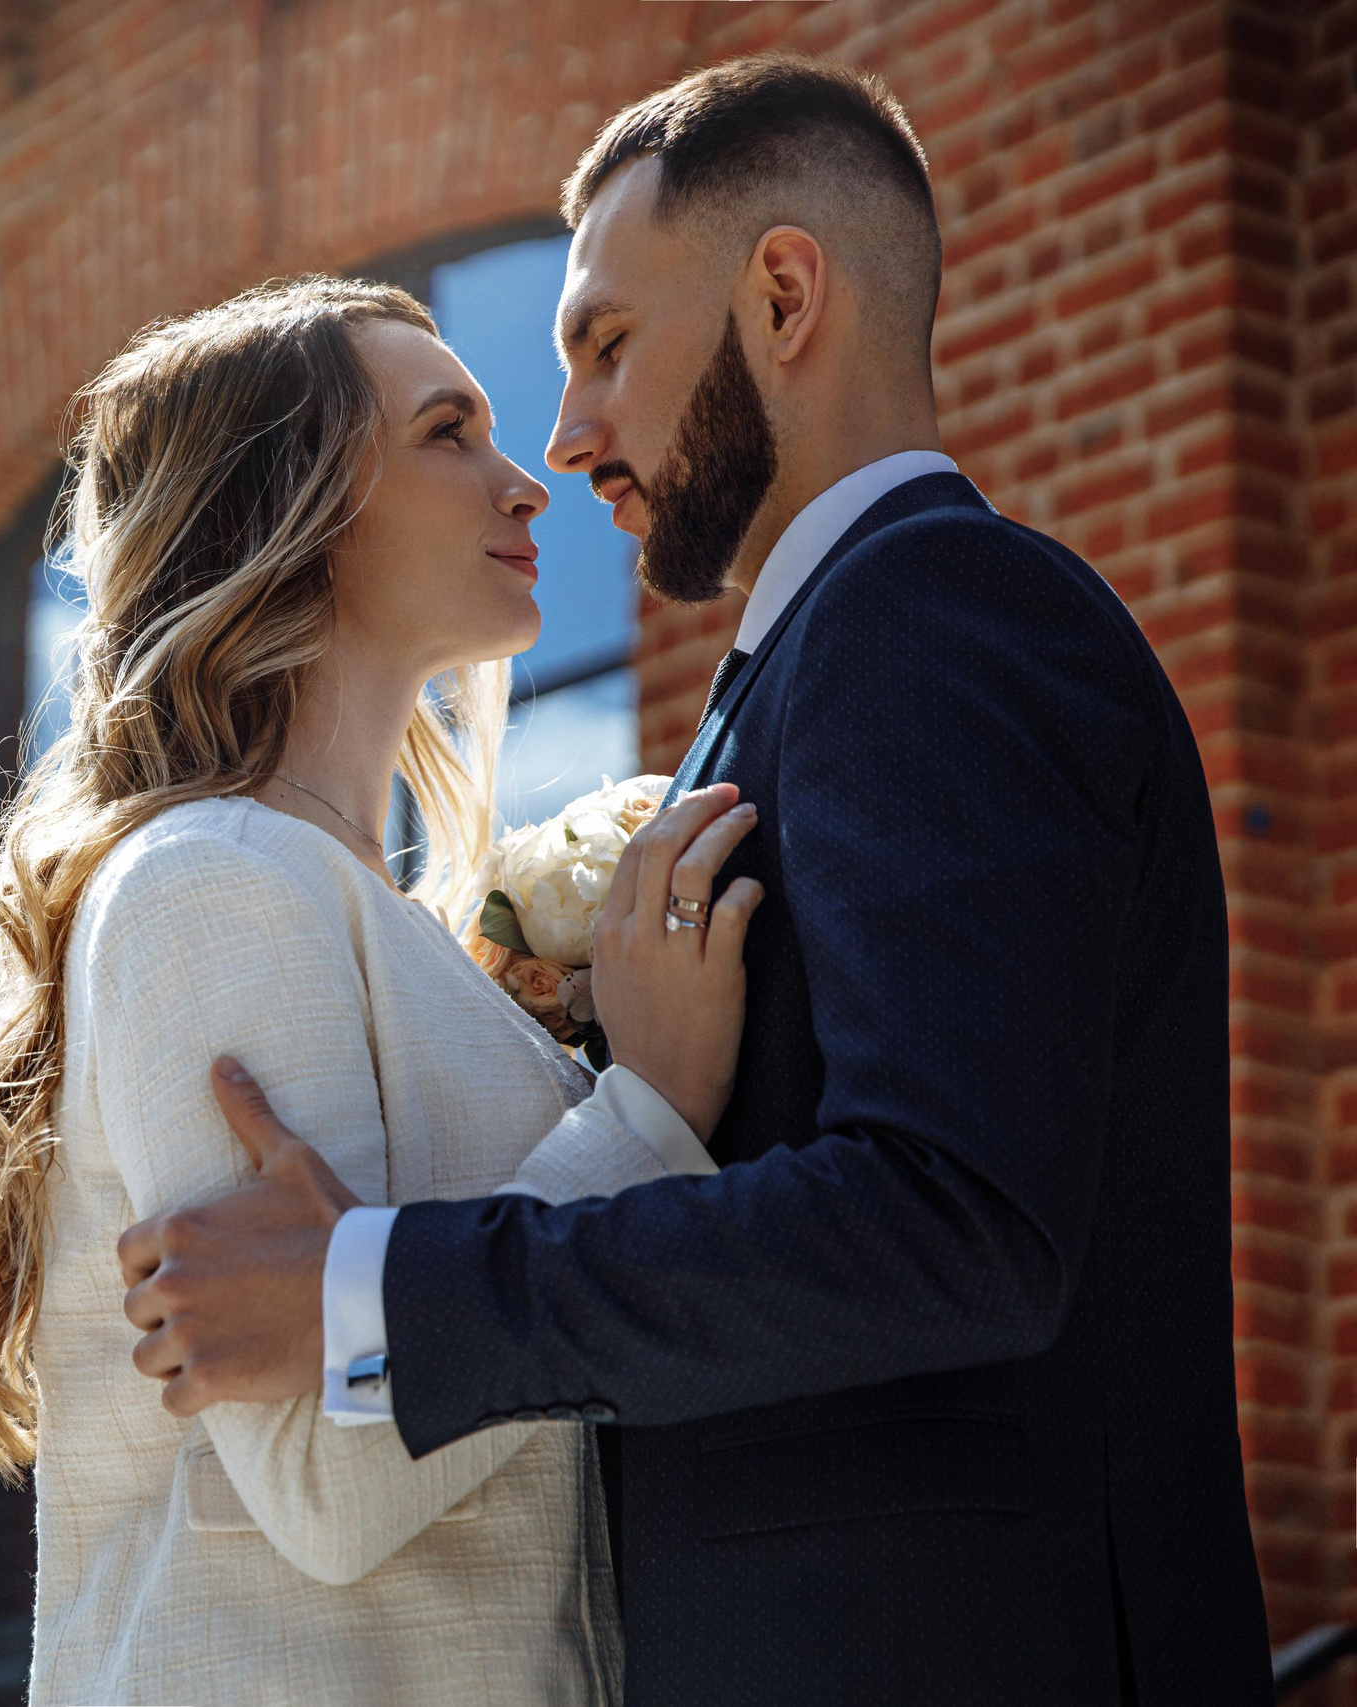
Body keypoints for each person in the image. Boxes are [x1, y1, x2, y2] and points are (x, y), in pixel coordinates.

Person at [115, 53, 1272, 1706]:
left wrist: (377, 1287)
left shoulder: (931, 614)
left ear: (784, 296)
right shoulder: (826, 653)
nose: (568, 429)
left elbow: (952, 1221)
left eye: (602, 345)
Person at [0, 273, 766, 1704]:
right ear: (285, 512)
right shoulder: (210, 884)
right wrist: (650, 1116)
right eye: (447, 432)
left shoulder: (365, 913)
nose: (525, 483)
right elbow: (324, 1482)